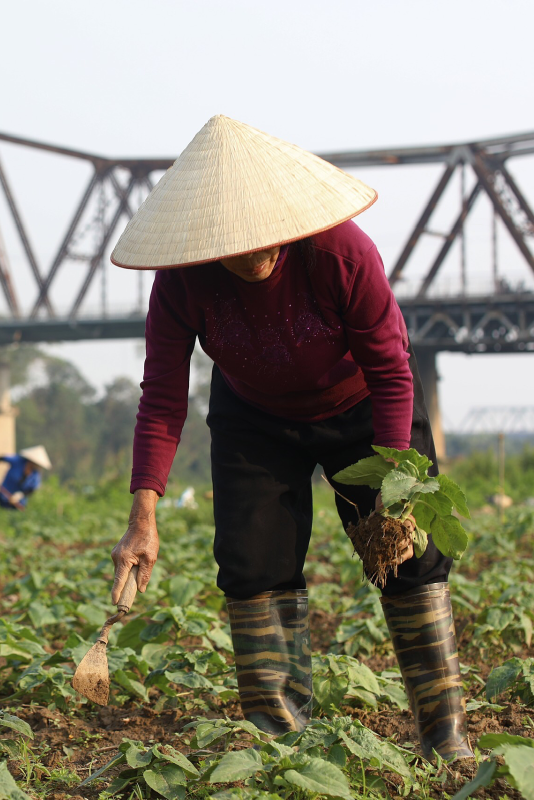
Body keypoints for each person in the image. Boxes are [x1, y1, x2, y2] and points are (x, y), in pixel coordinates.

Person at [106, 116, 472, 759]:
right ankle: (280, 748)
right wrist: (143, 517)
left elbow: (391, 371)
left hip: (363, 408)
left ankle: (444, 739)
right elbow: (162, 398)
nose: (256, 254)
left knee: (409, 555)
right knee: (251, 567)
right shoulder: (181, 282)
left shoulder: (341, 253)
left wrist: (399, 485)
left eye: (268, 238)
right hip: (255, 419)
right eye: (237, 244)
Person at [0, 445, 51, 510]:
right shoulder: (18, 461)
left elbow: (32, 489)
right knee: (1, 512)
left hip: (18, 503)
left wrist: (20, 495)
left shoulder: (35, 475)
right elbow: (0, 458)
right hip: (3, 495)